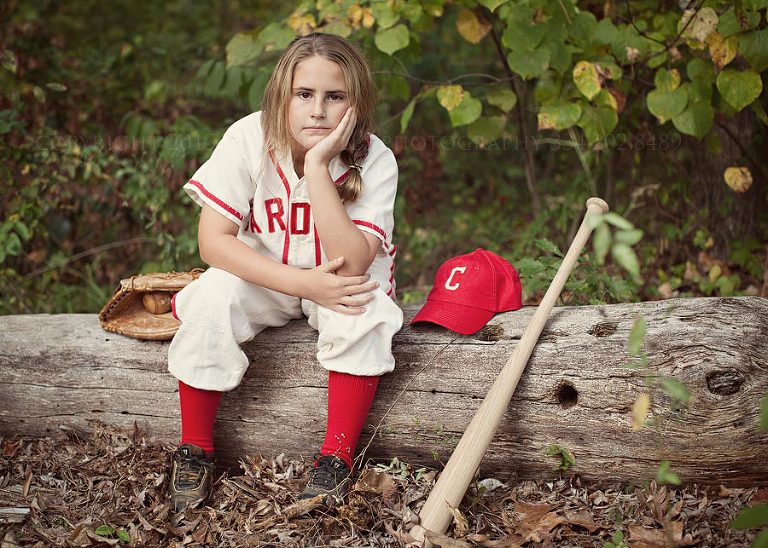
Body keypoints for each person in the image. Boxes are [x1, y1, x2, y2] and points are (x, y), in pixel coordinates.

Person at [165, 32, 403, 511]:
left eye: (334, 97)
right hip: (270, 278)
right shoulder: (249, 137)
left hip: (341, 283)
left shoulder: (374, 157)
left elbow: (354, 262)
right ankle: (195, 449)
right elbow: (213, 243)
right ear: (283, 95)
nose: (318, 111)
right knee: (211, 296)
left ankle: (336, 457)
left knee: (365, 309)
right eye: (305, 94)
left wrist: (317, 166)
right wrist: (300, 283)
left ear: (354, 103)